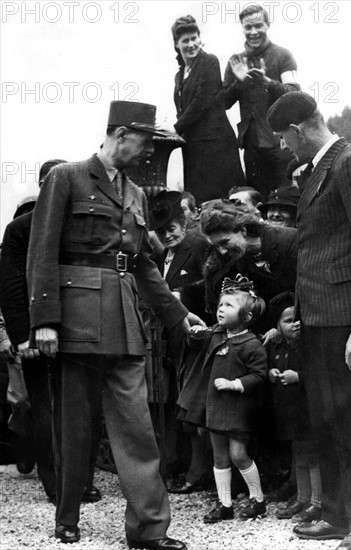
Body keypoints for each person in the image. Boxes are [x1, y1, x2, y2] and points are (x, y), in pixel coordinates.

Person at [26, 101, 205, 550]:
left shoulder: (136, 194)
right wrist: (44, 320)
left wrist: (179, 316)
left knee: (137, 429)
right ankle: (67, 518)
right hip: (77, 319)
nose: (148, 153)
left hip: (124, 321)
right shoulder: (66, 177)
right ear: (121, 134)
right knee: (76, 427)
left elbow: (142, 265)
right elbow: (42, 251)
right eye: (145, 142)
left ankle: (148, 531)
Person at [267, 92, 351, 550]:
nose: (284, 147)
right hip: (319, 320)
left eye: (283, 138)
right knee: (326, 421)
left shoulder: (350, 163)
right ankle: (338, 517)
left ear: (297, 130)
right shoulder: (322, 168)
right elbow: (316, 249)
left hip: (344, 321)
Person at [0, 161, 102, 505]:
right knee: (46, 408)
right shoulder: (20, 229)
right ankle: (56, 483)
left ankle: (83, 479)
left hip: (84, 330)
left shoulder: (85, 224)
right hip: (37, 333)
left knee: (87, 407)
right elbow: (12, 284)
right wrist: (22, 335)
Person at [179, 275, 267, 522]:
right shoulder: (217, 334)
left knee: (238, 454)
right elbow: (198, 341)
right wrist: (195, 333)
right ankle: (224, 504)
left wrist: (235, 384)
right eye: (220, 305)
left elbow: (259, 376)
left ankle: (257, 499)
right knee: (219, 456)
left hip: (238, 408)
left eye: (229, 306)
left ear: (247, 317)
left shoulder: (252, 344)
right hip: (215, 407)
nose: (221, 310)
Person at [149, 189, 212, 493]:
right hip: (173, 341)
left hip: (197, 338)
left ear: (184, 220)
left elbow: (214, 281)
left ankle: (199, 472)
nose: (167, 235)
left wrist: (181, 297)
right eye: (160, 231)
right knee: (178, 405)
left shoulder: (198, 244)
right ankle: (181, 466)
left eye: (171, 228)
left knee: (193, 406)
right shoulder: (162, 253)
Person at [223, 3, 300, 199]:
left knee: (286, 198)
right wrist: (239, 83)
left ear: (268, 25)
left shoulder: (283, 55)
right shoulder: (235, 61)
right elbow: (222, 103)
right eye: (248, 27)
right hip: (251, 145)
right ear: (242, 29)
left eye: (258, 25)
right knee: (257, 200)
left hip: (281, 142)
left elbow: (294, 94)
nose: (254, 32)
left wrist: (267, 82)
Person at [171, 15, 244, 204]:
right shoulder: (179, 76)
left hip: (215, 148)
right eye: (185, 40)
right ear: (176, 45)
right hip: (193, 149)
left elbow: (201, 101)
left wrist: (175, 128)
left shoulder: (209, 62)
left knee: (223, 204)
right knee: (200, 204)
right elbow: (183, 110)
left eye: (194, 38)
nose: (191, 44)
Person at [199, 199, 297, 333]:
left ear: (243, 230)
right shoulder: (241, 260)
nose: (222, 251)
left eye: (225, 242)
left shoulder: (290, 242)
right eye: (217, 246)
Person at [266, 292, 322, 524]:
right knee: (298, 452)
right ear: (278, 326)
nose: (294, 325)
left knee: (312, 454)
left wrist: (298, 376)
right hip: (289, 411)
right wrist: (271, 373)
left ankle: (318, 502)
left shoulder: (309, 346)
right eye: (287, 321)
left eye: (296, 319)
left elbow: (320, 374)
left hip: (308, 409)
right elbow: (268, 365)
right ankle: (302, 497)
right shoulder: (276, 345)